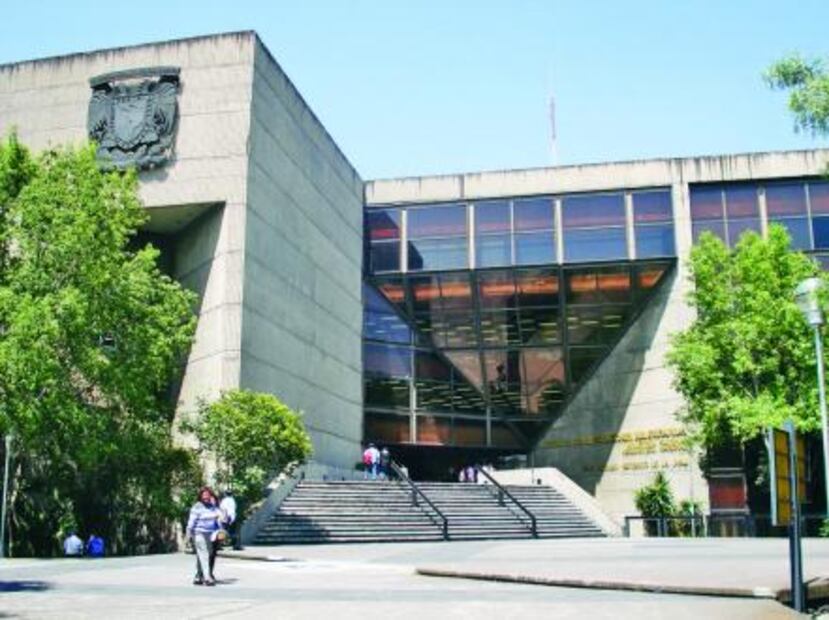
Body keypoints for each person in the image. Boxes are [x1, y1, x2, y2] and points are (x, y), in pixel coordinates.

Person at [186, 486, 221, 586]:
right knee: (204, 555)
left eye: (208, 495)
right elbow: (191, 522)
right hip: (199, 533)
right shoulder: (197, 507)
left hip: (211, 534)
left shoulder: (213, 507)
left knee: (209, 554)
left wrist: (216, 507)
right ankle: (207, 578)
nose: (206, 497)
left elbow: (222, 517)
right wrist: (188, 535)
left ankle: (200, 576)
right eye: (204, 495)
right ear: (200, 496)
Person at [209, 489, 238, 579]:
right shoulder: (232, 500)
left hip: (224, 521)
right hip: (231, 518)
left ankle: (208, 573)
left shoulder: (224, 502)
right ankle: (234, 544)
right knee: (232, 532)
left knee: (212, 554)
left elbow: (224, 510)